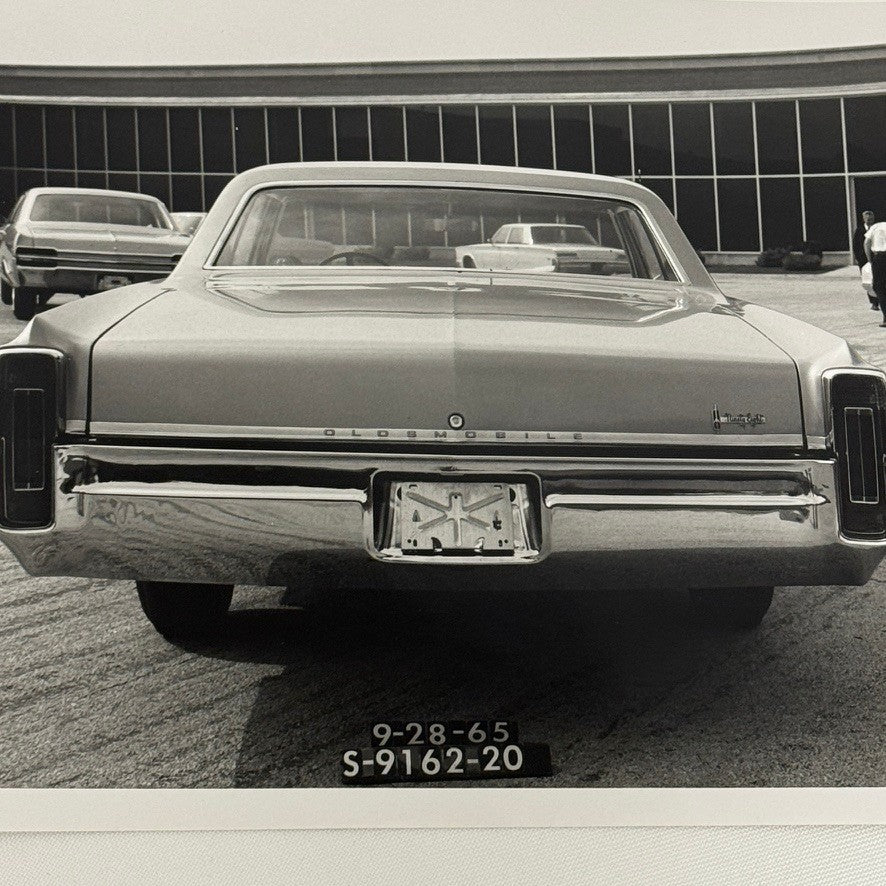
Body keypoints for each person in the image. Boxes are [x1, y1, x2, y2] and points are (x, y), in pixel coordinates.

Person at [864, 217, 886, 326]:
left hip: (879, 258)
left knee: (879, 288)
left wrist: (870, 259)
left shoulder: (875, 227)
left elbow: (866, 243)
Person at [853, 210, 878, 309]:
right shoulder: (859, 230)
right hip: (864, 261)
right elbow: (856, 246)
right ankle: (873, 302)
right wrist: (860, 260)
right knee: (868, 281)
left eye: (871, 218)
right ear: (863, 219)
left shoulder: (877, 229)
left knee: (877, 280)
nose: (869, 220)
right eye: (867, 218)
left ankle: (878, 300)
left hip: (876, 259)